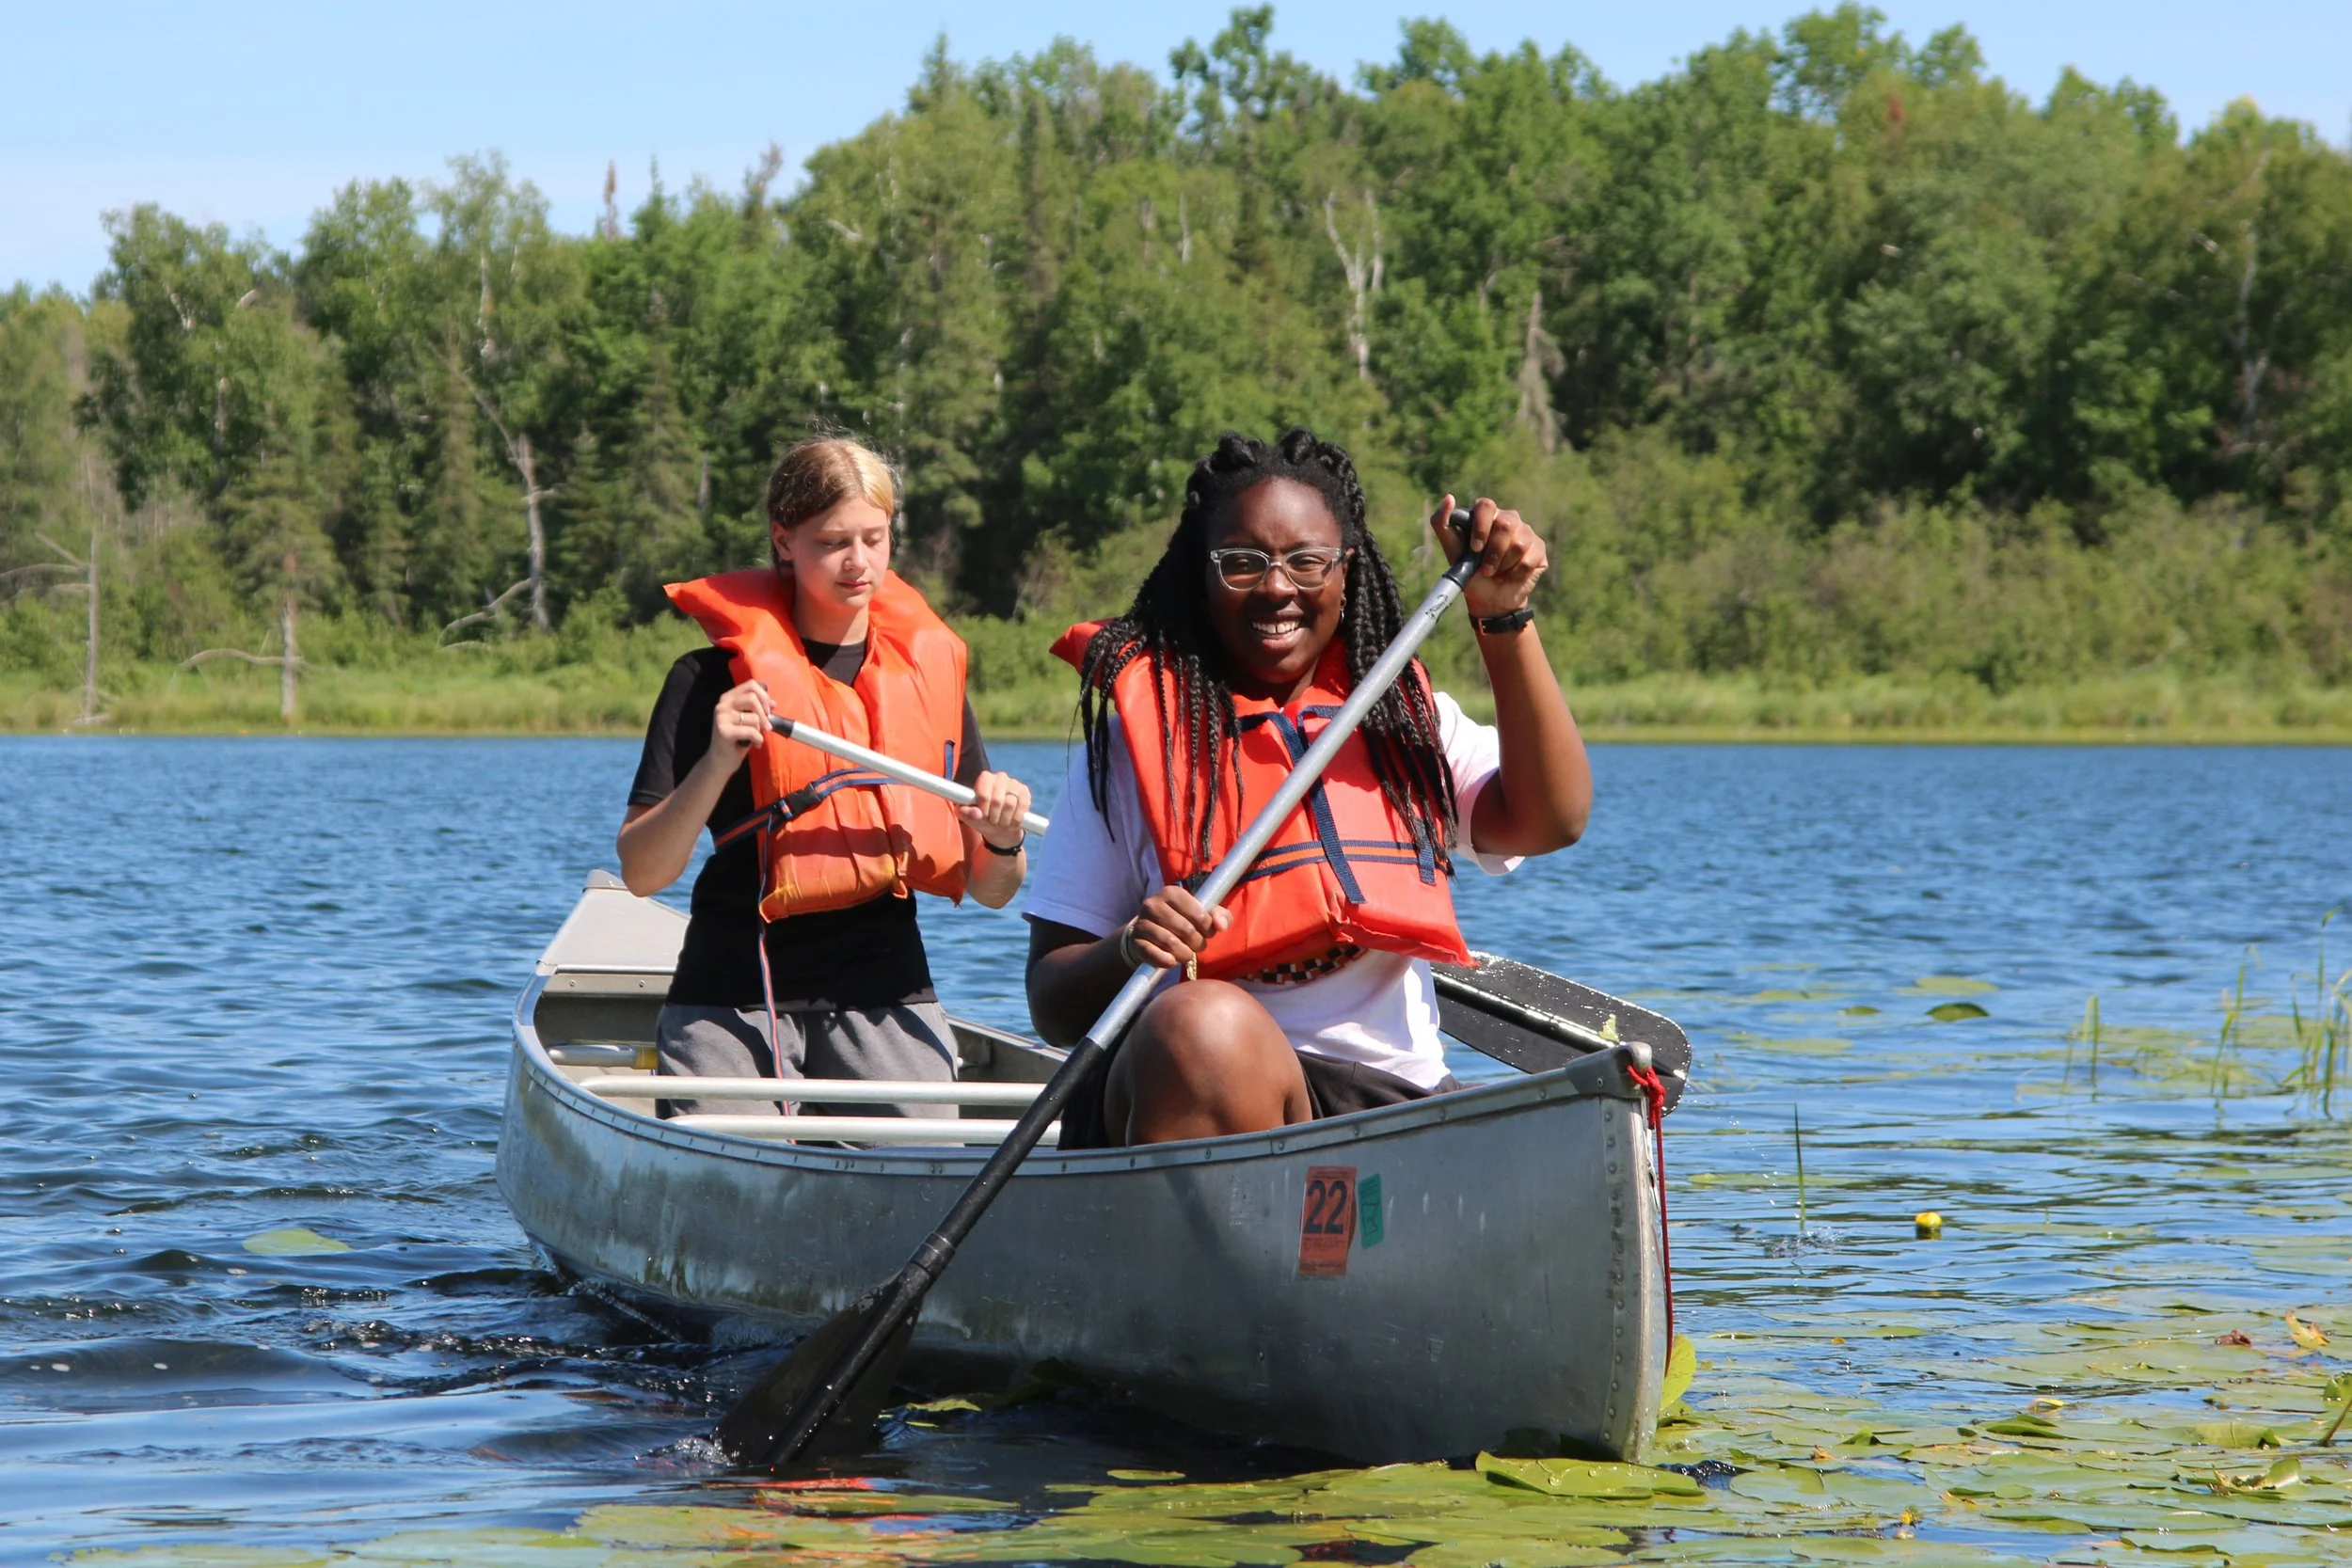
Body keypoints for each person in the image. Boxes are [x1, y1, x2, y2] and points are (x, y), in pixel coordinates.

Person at [1023, 427, 1590, 1147]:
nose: (1277, 587)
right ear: (1201, 573)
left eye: (1306, 561)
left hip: (1383, 1099)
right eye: (1242, 562)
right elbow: (1051, 1001)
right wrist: (1132, 944)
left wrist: (1503, 614)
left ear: (1346, 572)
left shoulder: (1401, 721)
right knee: (1204, 1023)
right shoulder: (1129, 749)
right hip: (1191, 1083)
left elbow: (1553, 820)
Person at [618, 436, 1034, 1118]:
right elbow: (641, 872)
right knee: (738, 1181)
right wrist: (719, 758)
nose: (858, 561)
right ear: (784, 541)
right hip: (732, 994)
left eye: (875, 537)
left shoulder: (929, 678)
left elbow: (992, 889)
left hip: (886, 989)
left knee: (924, 1180)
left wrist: (1005, 839)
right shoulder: (706, 682)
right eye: (832, 541)